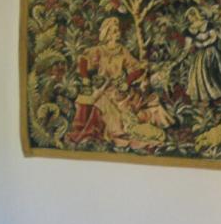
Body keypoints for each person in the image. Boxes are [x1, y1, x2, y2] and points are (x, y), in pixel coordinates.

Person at [66, 16, 170, 147]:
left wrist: (127, 81)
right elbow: (83, 60)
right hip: (103, 89)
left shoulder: (122, 50)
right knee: (102, 108)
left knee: (128, 118)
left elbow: (138, 68)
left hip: (119, 90)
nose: (118, 33)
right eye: (115, 31)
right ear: (108, 34)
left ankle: (150, 133)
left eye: (118, 30)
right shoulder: (99, 50)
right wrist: (85, 78)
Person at [183, 7, 221, 103]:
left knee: (211, 72)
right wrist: (184, 52)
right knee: (197, 74)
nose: (190, 19)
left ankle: (216, 94)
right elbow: (187, 45)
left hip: (211, 51)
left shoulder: (207, 24)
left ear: (195, 14)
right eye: (188, 17)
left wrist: (205, 44)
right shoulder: (189, 30)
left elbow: (214, 37)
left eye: (191, 16)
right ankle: (203, 97)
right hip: (200, 54)